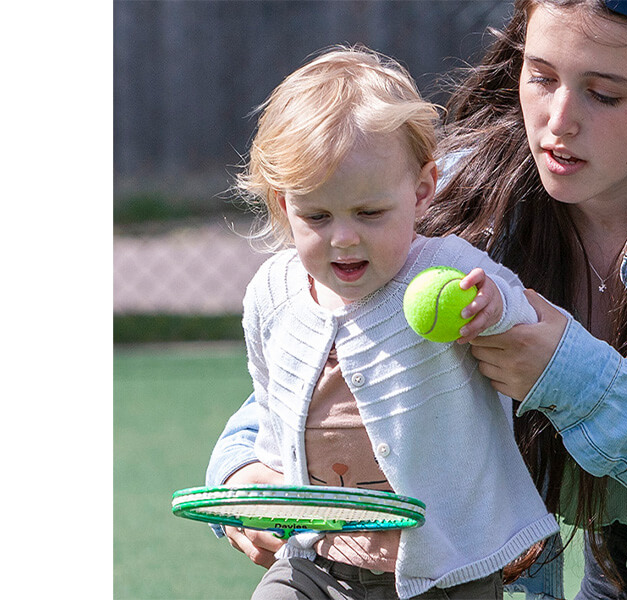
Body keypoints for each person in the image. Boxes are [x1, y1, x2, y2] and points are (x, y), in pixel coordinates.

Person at [210, 2, 627, 598]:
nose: (558, 119)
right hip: (622, 575)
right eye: (542, 76)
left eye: (604, 93)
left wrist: (565, 373)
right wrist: (242, 466)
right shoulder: (465, 196)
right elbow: (327, 351)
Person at [218, 46, 560, 600]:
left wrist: (494, 308)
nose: (344, 238)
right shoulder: (272, 293)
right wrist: (261, 481)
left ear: (422, 190)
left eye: (370, 213)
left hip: (447, 566)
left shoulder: (449, 271)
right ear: (284, 207)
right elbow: (268, 400)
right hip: (317, 559)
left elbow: (522, 314)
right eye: (318, 216)